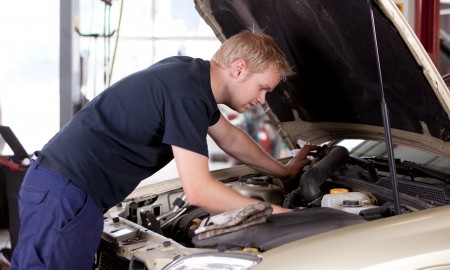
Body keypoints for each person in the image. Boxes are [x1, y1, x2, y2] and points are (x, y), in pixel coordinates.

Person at [11, 29, 317, 269]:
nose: (263, 99)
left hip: (66, 191)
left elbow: (231, 138)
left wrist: (285, 170)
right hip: (66, 196)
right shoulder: (189, 96)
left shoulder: (189, 75)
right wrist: (282, 215)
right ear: (238, 69)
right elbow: (198, 191)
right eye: (262, 87)